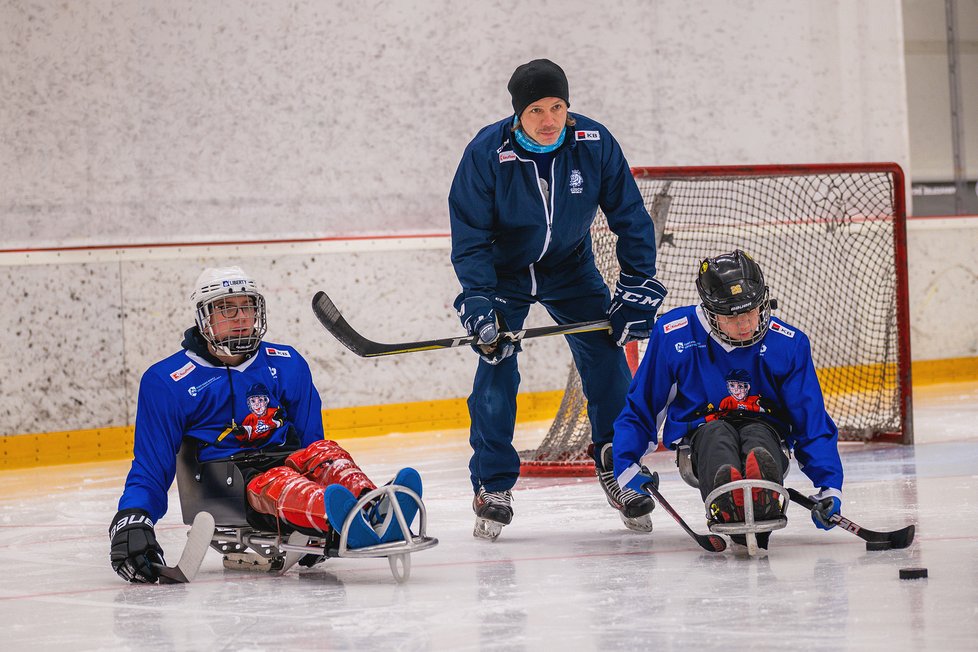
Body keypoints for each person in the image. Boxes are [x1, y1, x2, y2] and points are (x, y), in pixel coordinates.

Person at [448, 58, 667, 538]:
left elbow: (629, 216)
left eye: (557, 107)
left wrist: (637, 286)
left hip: (570, 267)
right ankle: (493, 482)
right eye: (536, 111)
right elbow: (469, 238)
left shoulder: (593, 142)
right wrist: (479, 302)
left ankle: (618, 464)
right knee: (497, 366)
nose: (549, 120)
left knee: (608, 360)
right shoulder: (487, 152)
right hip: (504, 273)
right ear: (517, 116)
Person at [109, 266, 422, 583]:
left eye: (246, 306)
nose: (240, 316)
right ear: (204, 317)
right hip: (231, 480)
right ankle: (336, 521)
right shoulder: (168, 380)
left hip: (285, 460)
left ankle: (376, 510)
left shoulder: (285, 362)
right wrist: (132, 517)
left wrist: (310, 536)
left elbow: (312, 442)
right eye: (226, 308)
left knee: (326, 452)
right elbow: (152, 464)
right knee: (281, 481)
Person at [611, 250, 844, 549]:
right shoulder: (673, 334)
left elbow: (810, 418)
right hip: (702, 432)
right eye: (733, 317)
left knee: (759, 442)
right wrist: (626, 462)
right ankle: (729, 499)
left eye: (753, 311)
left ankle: (760, 500)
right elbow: (643, 404)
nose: (746, 324)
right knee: (716, 440)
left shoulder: (789, 343)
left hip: (766, 426)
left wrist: (830, 486)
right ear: (709, 311)